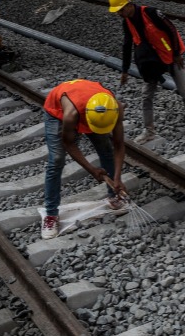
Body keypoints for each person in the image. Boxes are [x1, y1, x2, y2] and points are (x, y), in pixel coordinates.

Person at [108, 0, 185, 142]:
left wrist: (177, 53)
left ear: (129, 4)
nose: (119, 13)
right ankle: (149, 131)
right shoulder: (127, 22)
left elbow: (171, 29)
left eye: (121, 10)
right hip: (153, 62)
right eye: (117, 11)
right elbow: (127, 45)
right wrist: (125, 70)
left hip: (171, 57)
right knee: (146, 96)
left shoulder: (151, 13)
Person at [41, 78, 128, 240]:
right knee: (57, 160)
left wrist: (116, 177)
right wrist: (92, 169)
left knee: (106, 149)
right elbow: (69, 144)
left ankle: (113, 195)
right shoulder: (70, 114)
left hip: (87, 103)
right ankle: (51, 215)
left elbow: (118, 145)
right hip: (57, 111)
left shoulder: (115, 108)